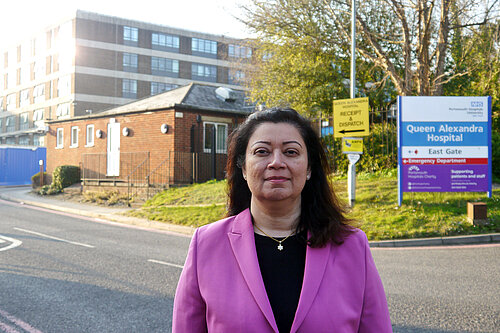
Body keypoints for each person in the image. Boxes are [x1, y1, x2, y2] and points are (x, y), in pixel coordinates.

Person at [172, 108, 392, 332]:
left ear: (309, 169)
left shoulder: (352, 245)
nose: (276, 162)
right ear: (244, 168)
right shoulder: (207, 243)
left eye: (291, 152)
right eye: (261, 152)